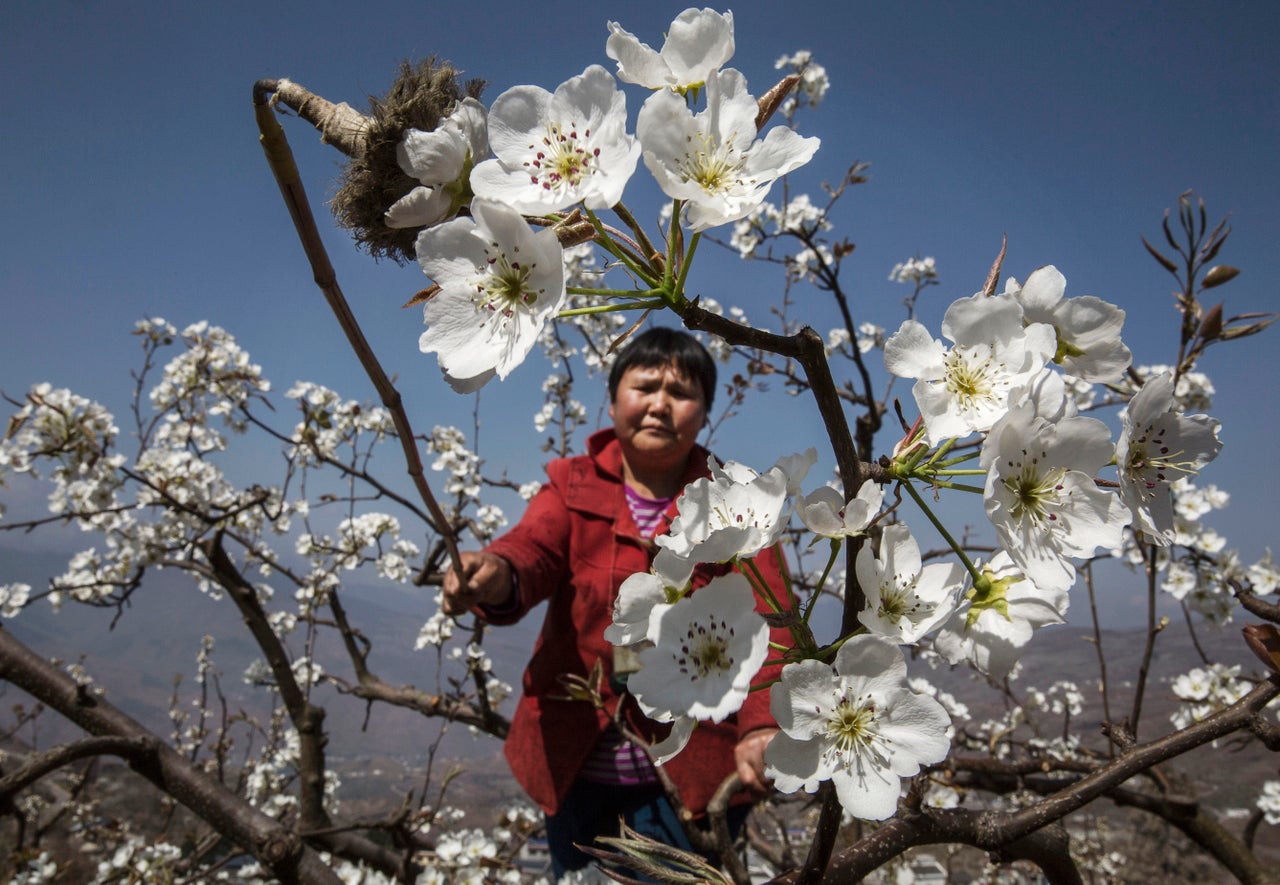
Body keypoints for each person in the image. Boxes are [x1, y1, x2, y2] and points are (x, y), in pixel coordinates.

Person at [442, 327, 789, 879]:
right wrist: (498, 572)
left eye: (681, 392)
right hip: (575, 765)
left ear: (705, 413)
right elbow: (532, 547)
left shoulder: (734, 503)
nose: (659, 404)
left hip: (691, 775)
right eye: (645, 386)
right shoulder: (571, 486)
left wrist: (761, 727)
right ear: (612, 400)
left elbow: (774, 618)